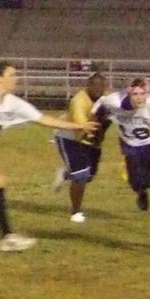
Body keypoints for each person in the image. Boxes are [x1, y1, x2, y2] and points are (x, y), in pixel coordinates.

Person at [0, 61, 98, 252]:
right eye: (12, 74)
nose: (16, 78)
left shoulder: (12, 103)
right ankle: (7, 237)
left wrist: (78, 126)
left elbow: (42, 119)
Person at [97, 78, 150, 211]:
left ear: (148, 93)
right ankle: (142, 193)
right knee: (137, 181)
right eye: (135, 94)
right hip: (130, 144)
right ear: (128, 93)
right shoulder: (113, 102)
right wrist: (99, 131)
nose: (139, 98)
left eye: (142, 94)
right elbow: (99, 113)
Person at [51, 73, 110, 223]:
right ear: (88, 86)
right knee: (81, 175)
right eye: (95, 86)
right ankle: (75, 212)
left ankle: (66, 173)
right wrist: (99, 119)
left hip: (91, 140)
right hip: (69, 137)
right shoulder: (79, 101)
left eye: (102, 87)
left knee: (89, 175)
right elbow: (82, 127)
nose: (99, 90)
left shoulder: (105, 99)